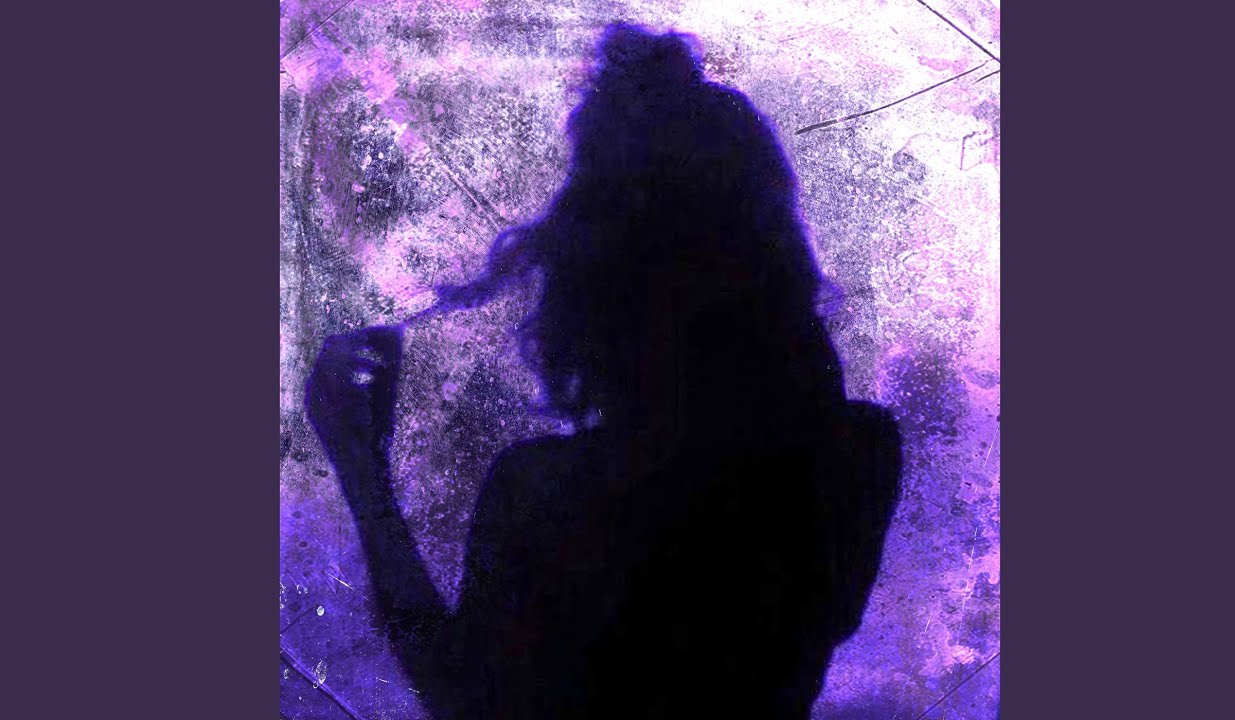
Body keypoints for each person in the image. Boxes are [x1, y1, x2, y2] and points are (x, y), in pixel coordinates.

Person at [306, 23, 902, 720]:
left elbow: (464, 698)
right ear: (775, 246)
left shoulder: (546, 492)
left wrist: (363, 469)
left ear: (596, 278)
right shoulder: (858, 455)